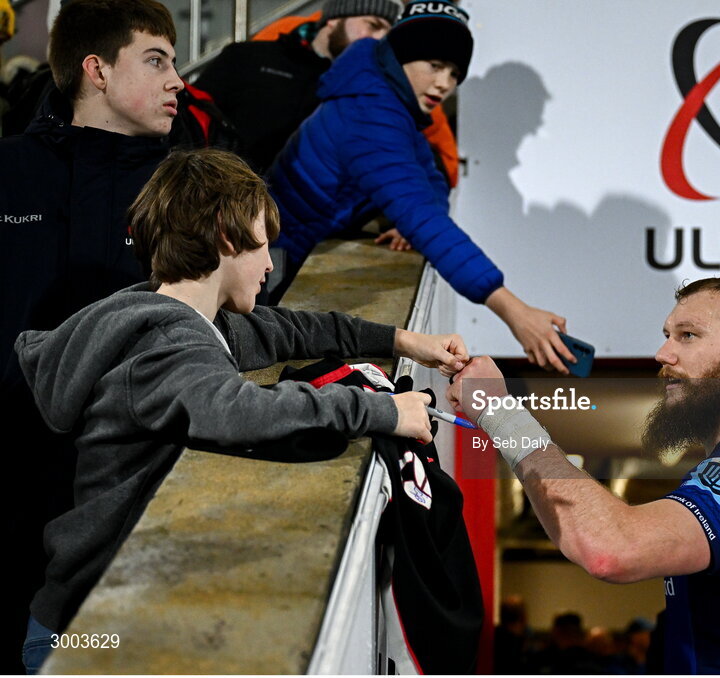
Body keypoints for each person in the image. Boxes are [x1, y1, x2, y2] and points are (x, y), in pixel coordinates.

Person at [14, 147, 468, 673]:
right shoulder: (166, 346)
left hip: (93, 611)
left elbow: (294, 329)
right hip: (81, 632)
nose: (272, 263)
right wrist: (384, 412)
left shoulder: (192, 319)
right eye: (263, 243)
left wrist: (403, 340)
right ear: (227, 239)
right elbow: (239, 410)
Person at [448, 275, 720, 673]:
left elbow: (610, 550)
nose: (663, 354)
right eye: (667, 335)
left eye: (688, 336)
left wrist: (499, 411)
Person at [0, 0, 182, 671]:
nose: (178, 81)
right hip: (10, 476)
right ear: (96, 70)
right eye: (156, 60)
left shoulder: (183, 187)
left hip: (124, 488)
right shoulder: (10, 171)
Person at [267, 0, 575, 373]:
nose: (445, 84)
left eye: (454, 72)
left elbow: (430, 182)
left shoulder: (387, 100)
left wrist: (406, 218)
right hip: (274, 263)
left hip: (289, 252)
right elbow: (424, 216)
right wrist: (513, 310)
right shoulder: (370, 114)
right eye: (435, 66)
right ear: (400, 57)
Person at [193, 0, 401, 174]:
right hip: (219, 199)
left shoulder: (366, 91)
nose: (378, 39)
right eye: (373, 25)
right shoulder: (248, 57)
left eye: (386, 34)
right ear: (335, 18)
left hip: (305, 215)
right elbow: (190, 117)